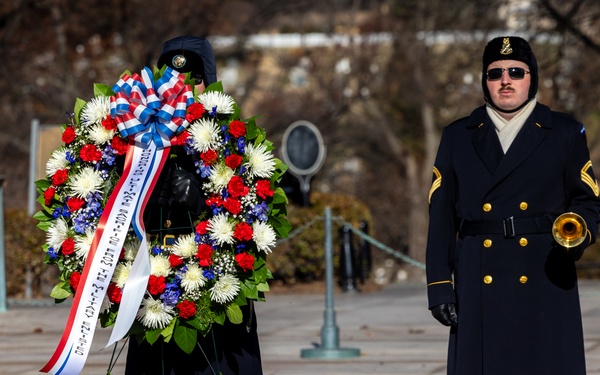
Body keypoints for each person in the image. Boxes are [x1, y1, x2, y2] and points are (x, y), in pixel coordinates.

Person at [425, 36, 600, 375]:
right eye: (495, 73)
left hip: (545, 275)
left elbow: (588, 202)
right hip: (478, 281)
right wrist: (439, 286)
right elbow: (441, 216)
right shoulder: (458, 135)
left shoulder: (564, 131)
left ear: (531, 77)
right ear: (484, 82)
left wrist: (577, 233)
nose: (506, 80)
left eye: (516, 72)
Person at [125, 35, 264, 375]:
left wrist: (203, 195)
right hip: (153, 297)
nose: (183, 86)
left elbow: (253, 217)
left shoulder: (230, 140)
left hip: (215, 309)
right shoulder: (136, 142)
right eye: (171, 78)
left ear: (209, 84)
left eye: (195, 79)